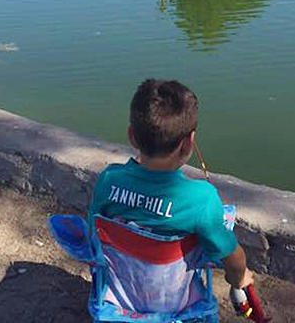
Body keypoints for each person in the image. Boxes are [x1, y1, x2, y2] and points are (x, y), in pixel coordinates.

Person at [89, 78, 256, 294]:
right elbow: (232, 257)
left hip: (120, 293)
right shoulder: (201, 199)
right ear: (188, 143)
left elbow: (93, 229)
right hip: (174, 299)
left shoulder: (109, 179)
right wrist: (239, 278)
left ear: (132, 136)